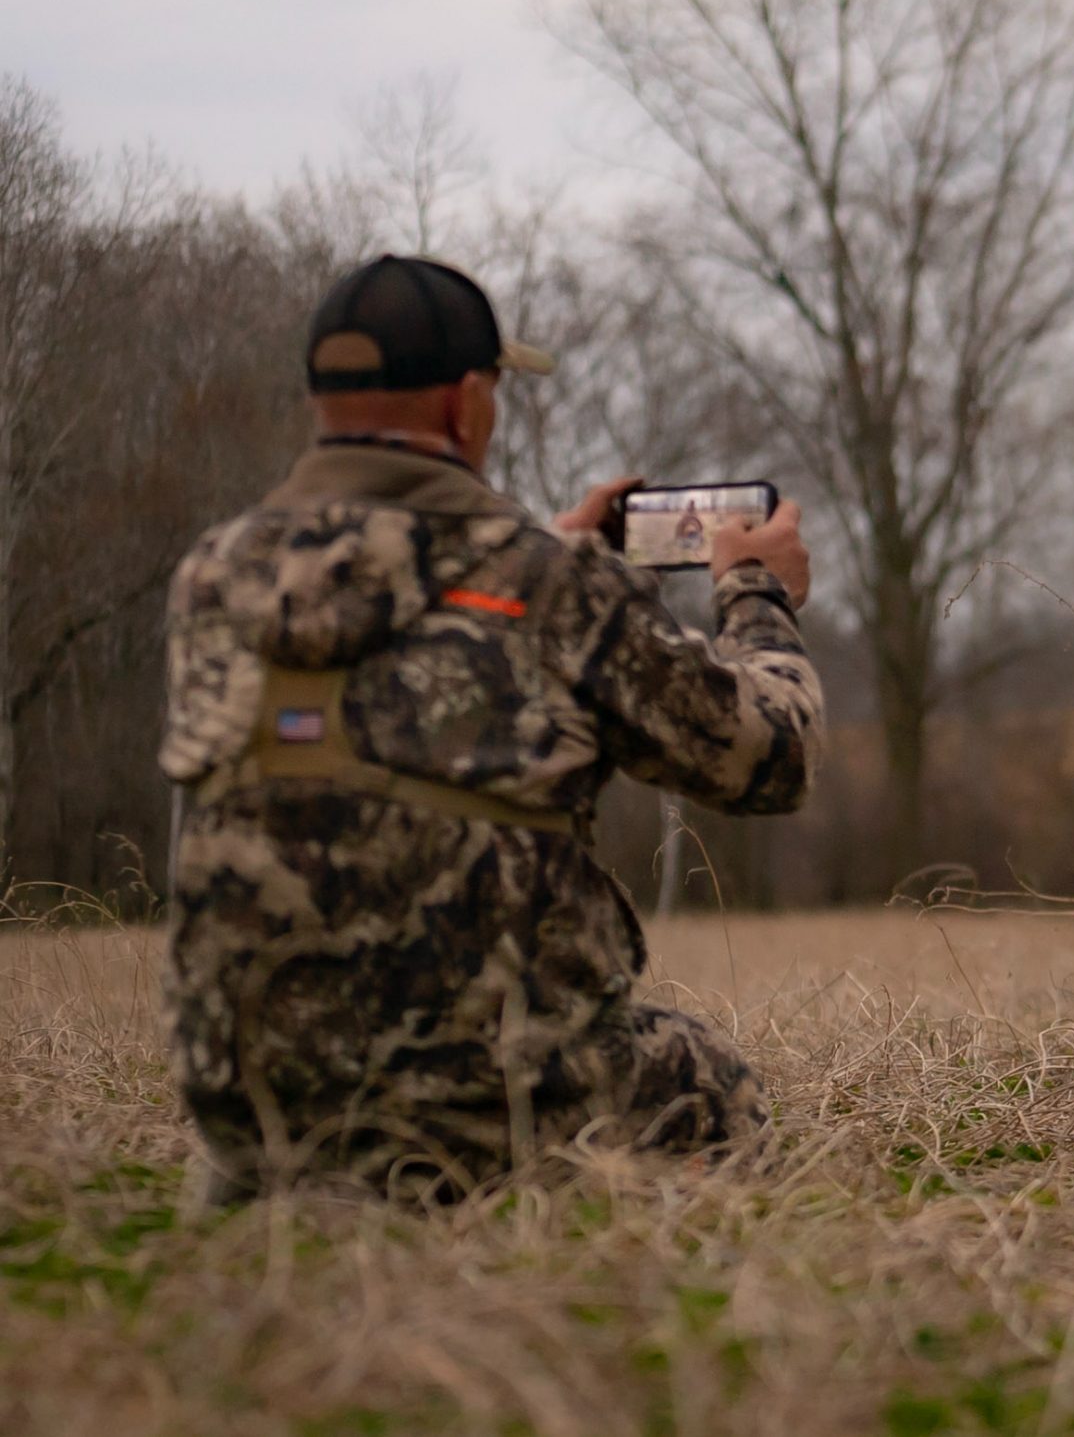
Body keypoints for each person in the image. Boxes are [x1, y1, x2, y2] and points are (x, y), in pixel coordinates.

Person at [158, 255, 825, 1201]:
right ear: (468, 401)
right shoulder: (550, 587)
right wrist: (756, 593)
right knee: (707, 1077)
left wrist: (551, 560)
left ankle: (285, 1191)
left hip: (249, 1108)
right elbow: (773, 760)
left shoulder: (213, 575)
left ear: (319, 399)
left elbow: (409, 621)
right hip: (488, 1117)